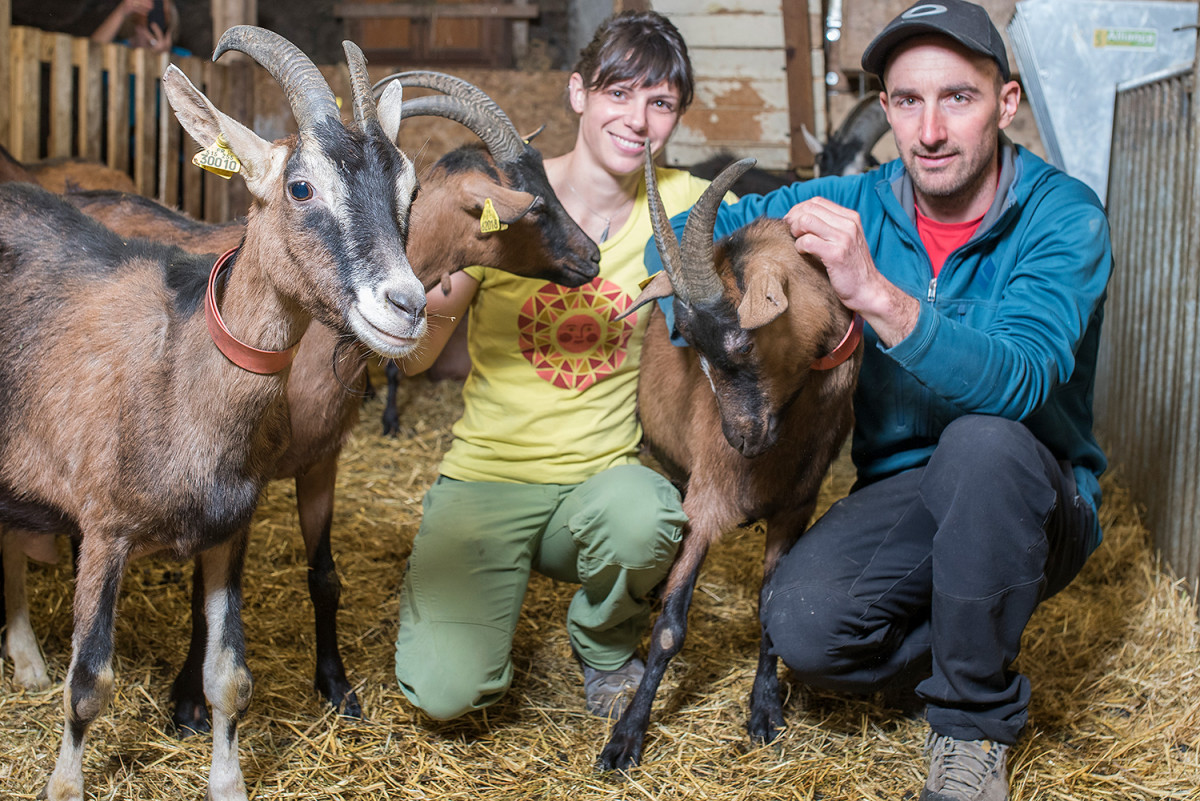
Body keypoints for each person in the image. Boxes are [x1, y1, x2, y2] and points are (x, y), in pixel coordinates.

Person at [650, 2, 1112, 799]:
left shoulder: (1062, 218)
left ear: (1005, 104)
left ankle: (971, 724)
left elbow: (1024, 378)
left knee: (984, 441)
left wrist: (877, 295)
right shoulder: (854, 199)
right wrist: (700, 312)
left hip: (1029, 489)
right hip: (905, 495)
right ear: (886, 108)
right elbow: (705, 235)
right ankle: (973, 626)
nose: (929, 130)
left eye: (957, 98)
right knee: (803, 628)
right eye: (906, 101)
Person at [393, 10, 729, 722]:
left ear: (676, 117)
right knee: (446, 694)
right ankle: (473, 591)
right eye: (618, 93)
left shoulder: (684, 205)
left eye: (660, 102)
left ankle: (602, 643)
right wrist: (424, 295)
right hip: (486, 477)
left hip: (598, 486)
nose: (637, 119)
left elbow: (767, 229)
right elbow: (419, 359)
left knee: (648, 514)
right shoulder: (500, 202)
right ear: (578, 92)